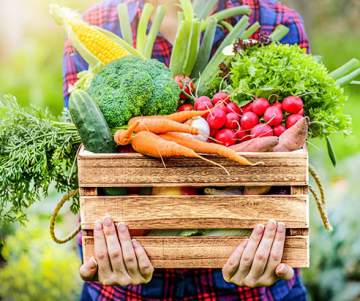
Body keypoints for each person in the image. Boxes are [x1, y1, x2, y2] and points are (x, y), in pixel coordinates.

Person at [63, 1, 310, 300]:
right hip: (126, 290)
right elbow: (89, 158)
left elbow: (289, 167)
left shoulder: (276, 22)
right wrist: (102, 243)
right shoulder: (94, 24)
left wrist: (274, 241)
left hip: (251, 289)